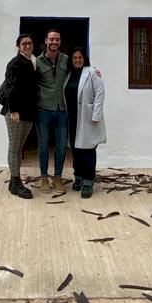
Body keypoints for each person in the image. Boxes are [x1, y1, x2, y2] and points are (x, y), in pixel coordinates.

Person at [0, 33, 37, 199]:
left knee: (19, 147)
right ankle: (15, 183)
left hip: (28, 112)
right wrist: (13, 110)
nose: (27, 46)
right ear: (18, 46)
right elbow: (9, 88)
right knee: (14, 148)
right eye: (24, 44)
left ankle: (15, 181)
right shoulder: (15, 63)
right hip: (16, 113)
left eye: (29, 43)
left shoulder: (32, 61)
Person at [64, 47, 106, 198]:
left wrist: (96, 115)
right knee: (76, 150)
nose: (77, 60)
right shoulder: (68, 74)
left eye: (80, 57)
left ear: (84, 59)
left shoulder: (92, 73)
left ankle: (88, 181)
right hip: (72, 118)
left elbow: (100, 93)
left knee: (88, 150)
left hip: (88, 118)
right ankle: (79, 177)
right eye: (74, 58)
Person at [35, 28, 69, 190]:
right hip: (43, 109)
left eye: (57, 39)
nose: (54, 42)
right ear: (46, 41)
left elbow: (80, 70)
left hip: (62, 110)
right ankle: (44, 178)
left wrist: (93, 72)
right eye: (52, 39)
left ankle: (57, 177)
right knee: (43, 145)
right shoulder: (36, 62)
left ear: (60, 42)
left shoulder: (66, 60)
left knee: (61, 146)